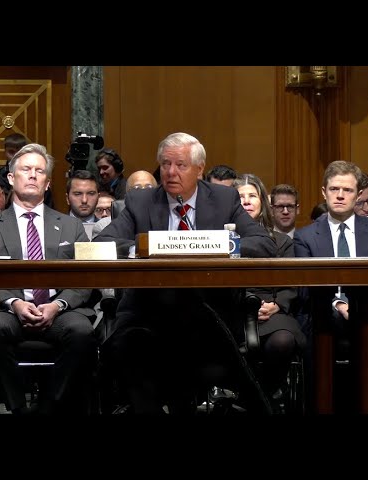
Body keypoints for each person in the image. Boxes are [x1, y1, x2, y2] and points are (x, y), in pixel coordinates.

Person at [95, 132, 277, 414]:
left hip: (206, 314)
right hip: (147, 313)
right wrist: (144, 249)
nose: (170, 172)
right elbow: (103, 244)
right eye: (165, 164)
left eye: (180, 165)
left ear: (199, 169)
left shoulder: (224, 198)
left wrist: (218, 245)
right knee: (126, 350)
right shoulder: (140, 202)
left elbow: (264, 243)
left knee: (188, 353)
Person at [0, 143, 97, 414]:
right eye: (26, 169)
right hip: (10, 309)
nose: (33, 175)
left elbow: (84, 276)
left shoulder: (71, 225)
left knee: (83, 332)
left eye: (40, 171)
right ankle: (17, 408)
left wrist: (57, 305)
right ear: (12, 178)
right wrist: (13, 302)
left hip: (58, 308)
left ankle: (49, 404)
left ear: (47, 184)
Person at [294, 161, 368, 411]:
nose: (340, 195)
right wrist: (339, 303)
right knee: (314, 321)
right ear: (324, 192)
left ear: (357, 196)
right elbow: (306, 287)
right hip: (322, 315)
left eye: (347, 190)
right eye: (334, 189)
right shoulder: (306, 236)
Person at [232, 174, 306, 400]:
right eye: (240, 196)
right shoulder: (220, 240)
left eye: (252, 195)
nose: (246, 201)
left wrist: (276, 304)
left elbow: (292, 284)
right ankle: (258, 402)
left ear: (263, 202)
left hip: (271, 309)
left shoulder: (282, 241)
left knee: (283, 341)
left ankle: (255, 399)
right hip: (231, 308)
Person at [0, 133, 54, 209]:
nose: (15, 156)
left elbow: (48, 208)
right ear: (5, 152)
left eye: (18, 152)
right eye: (11, 152)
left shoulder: (37, 178)